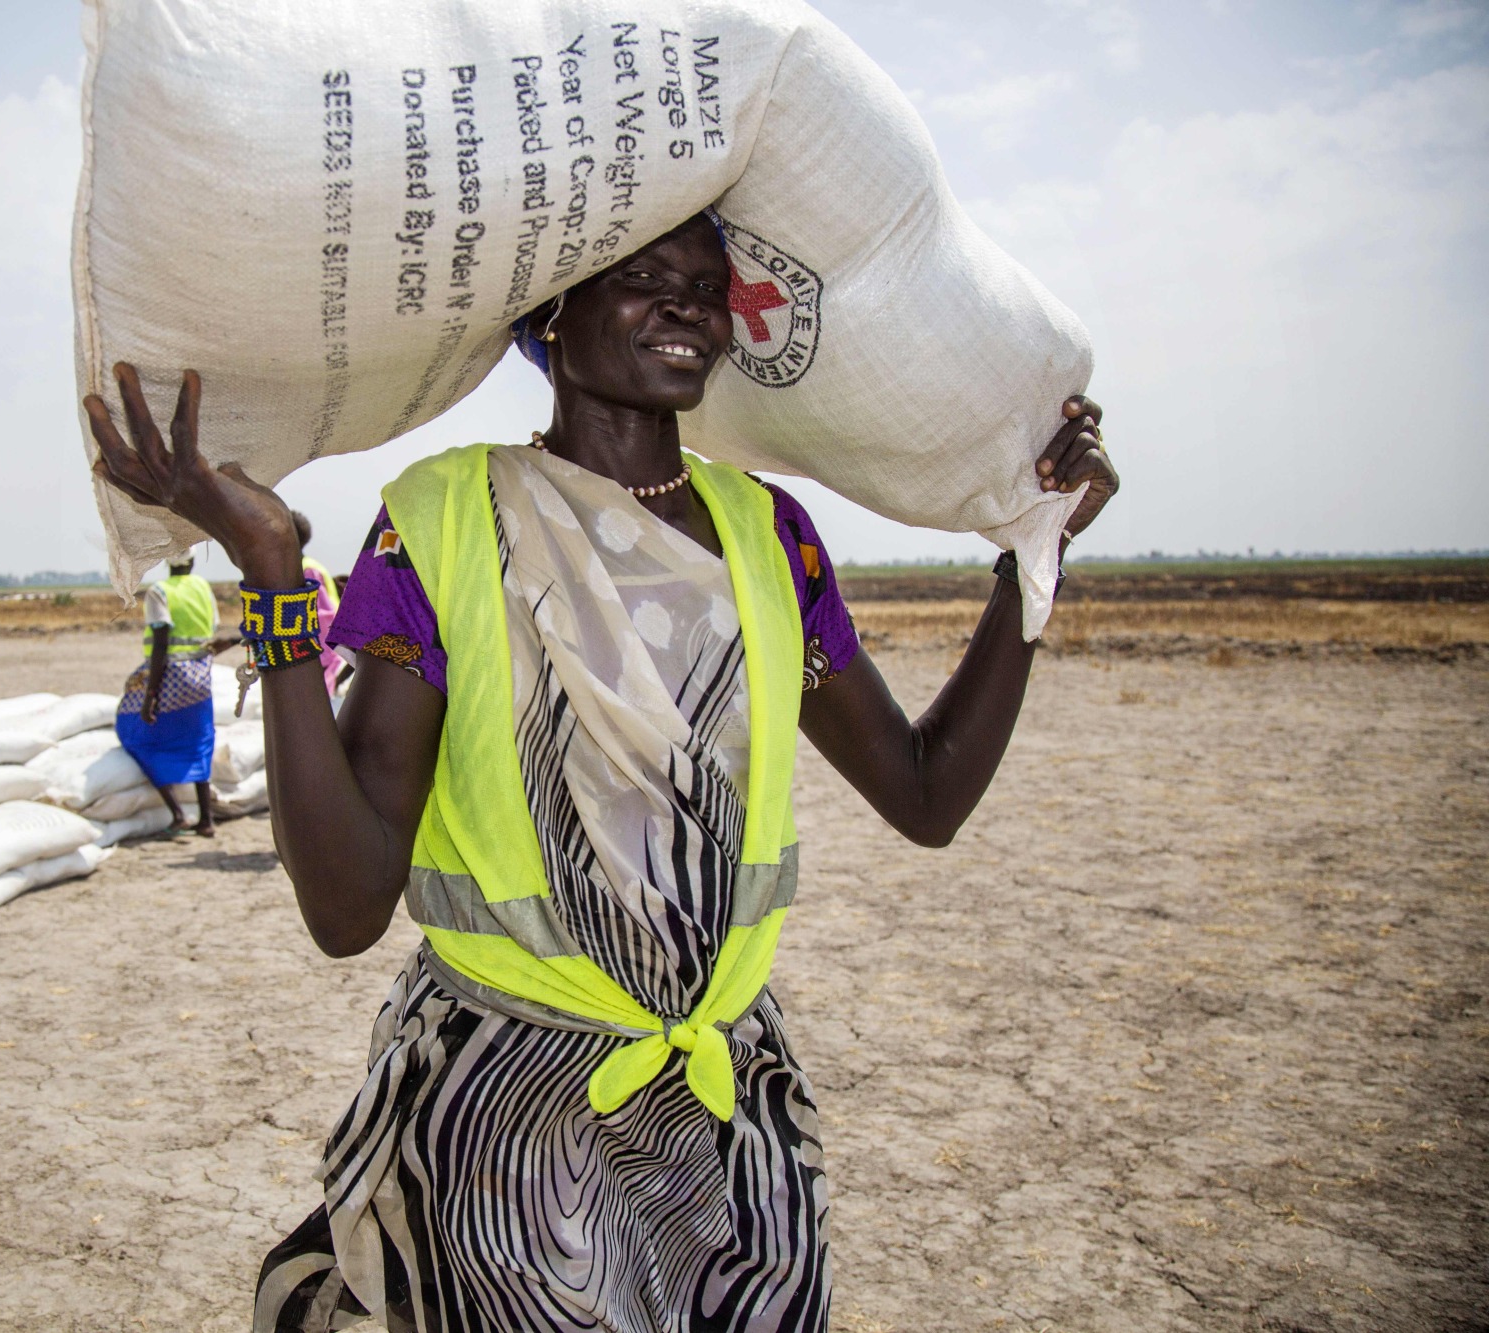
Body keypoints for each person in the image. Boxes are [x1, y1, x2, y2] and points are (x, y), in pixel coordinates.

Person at [85, 211, 1117, 1332]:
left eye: (701, 286)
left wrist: (1033, 558)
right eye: (637, 278)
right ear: (548, 315)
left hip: (728, 1118)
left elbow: (925, 796)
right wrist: (274, 577)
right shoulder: (441, 521)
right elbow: (343, 906)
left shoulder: (773, 537)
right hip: (509, 1127)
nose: (683, 304)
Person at [115, 552, 219, 838]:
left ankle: (177, 813)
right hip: (201, 675)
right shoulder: (203, 587)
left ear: (167, 562)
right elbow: (212, 629)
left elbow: (161, 641)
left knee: (135, 734)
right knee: (199, 740)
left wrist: (151, 695)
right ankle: (206, 818)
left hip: (169, 677)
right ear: (193, 562)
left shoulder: (159, 592)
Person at [290, 511, 345, 694]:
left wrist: (318, 659)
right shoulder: (303, 567)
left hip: (320, 656)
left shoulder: (307, 571)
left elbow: (323, 617)